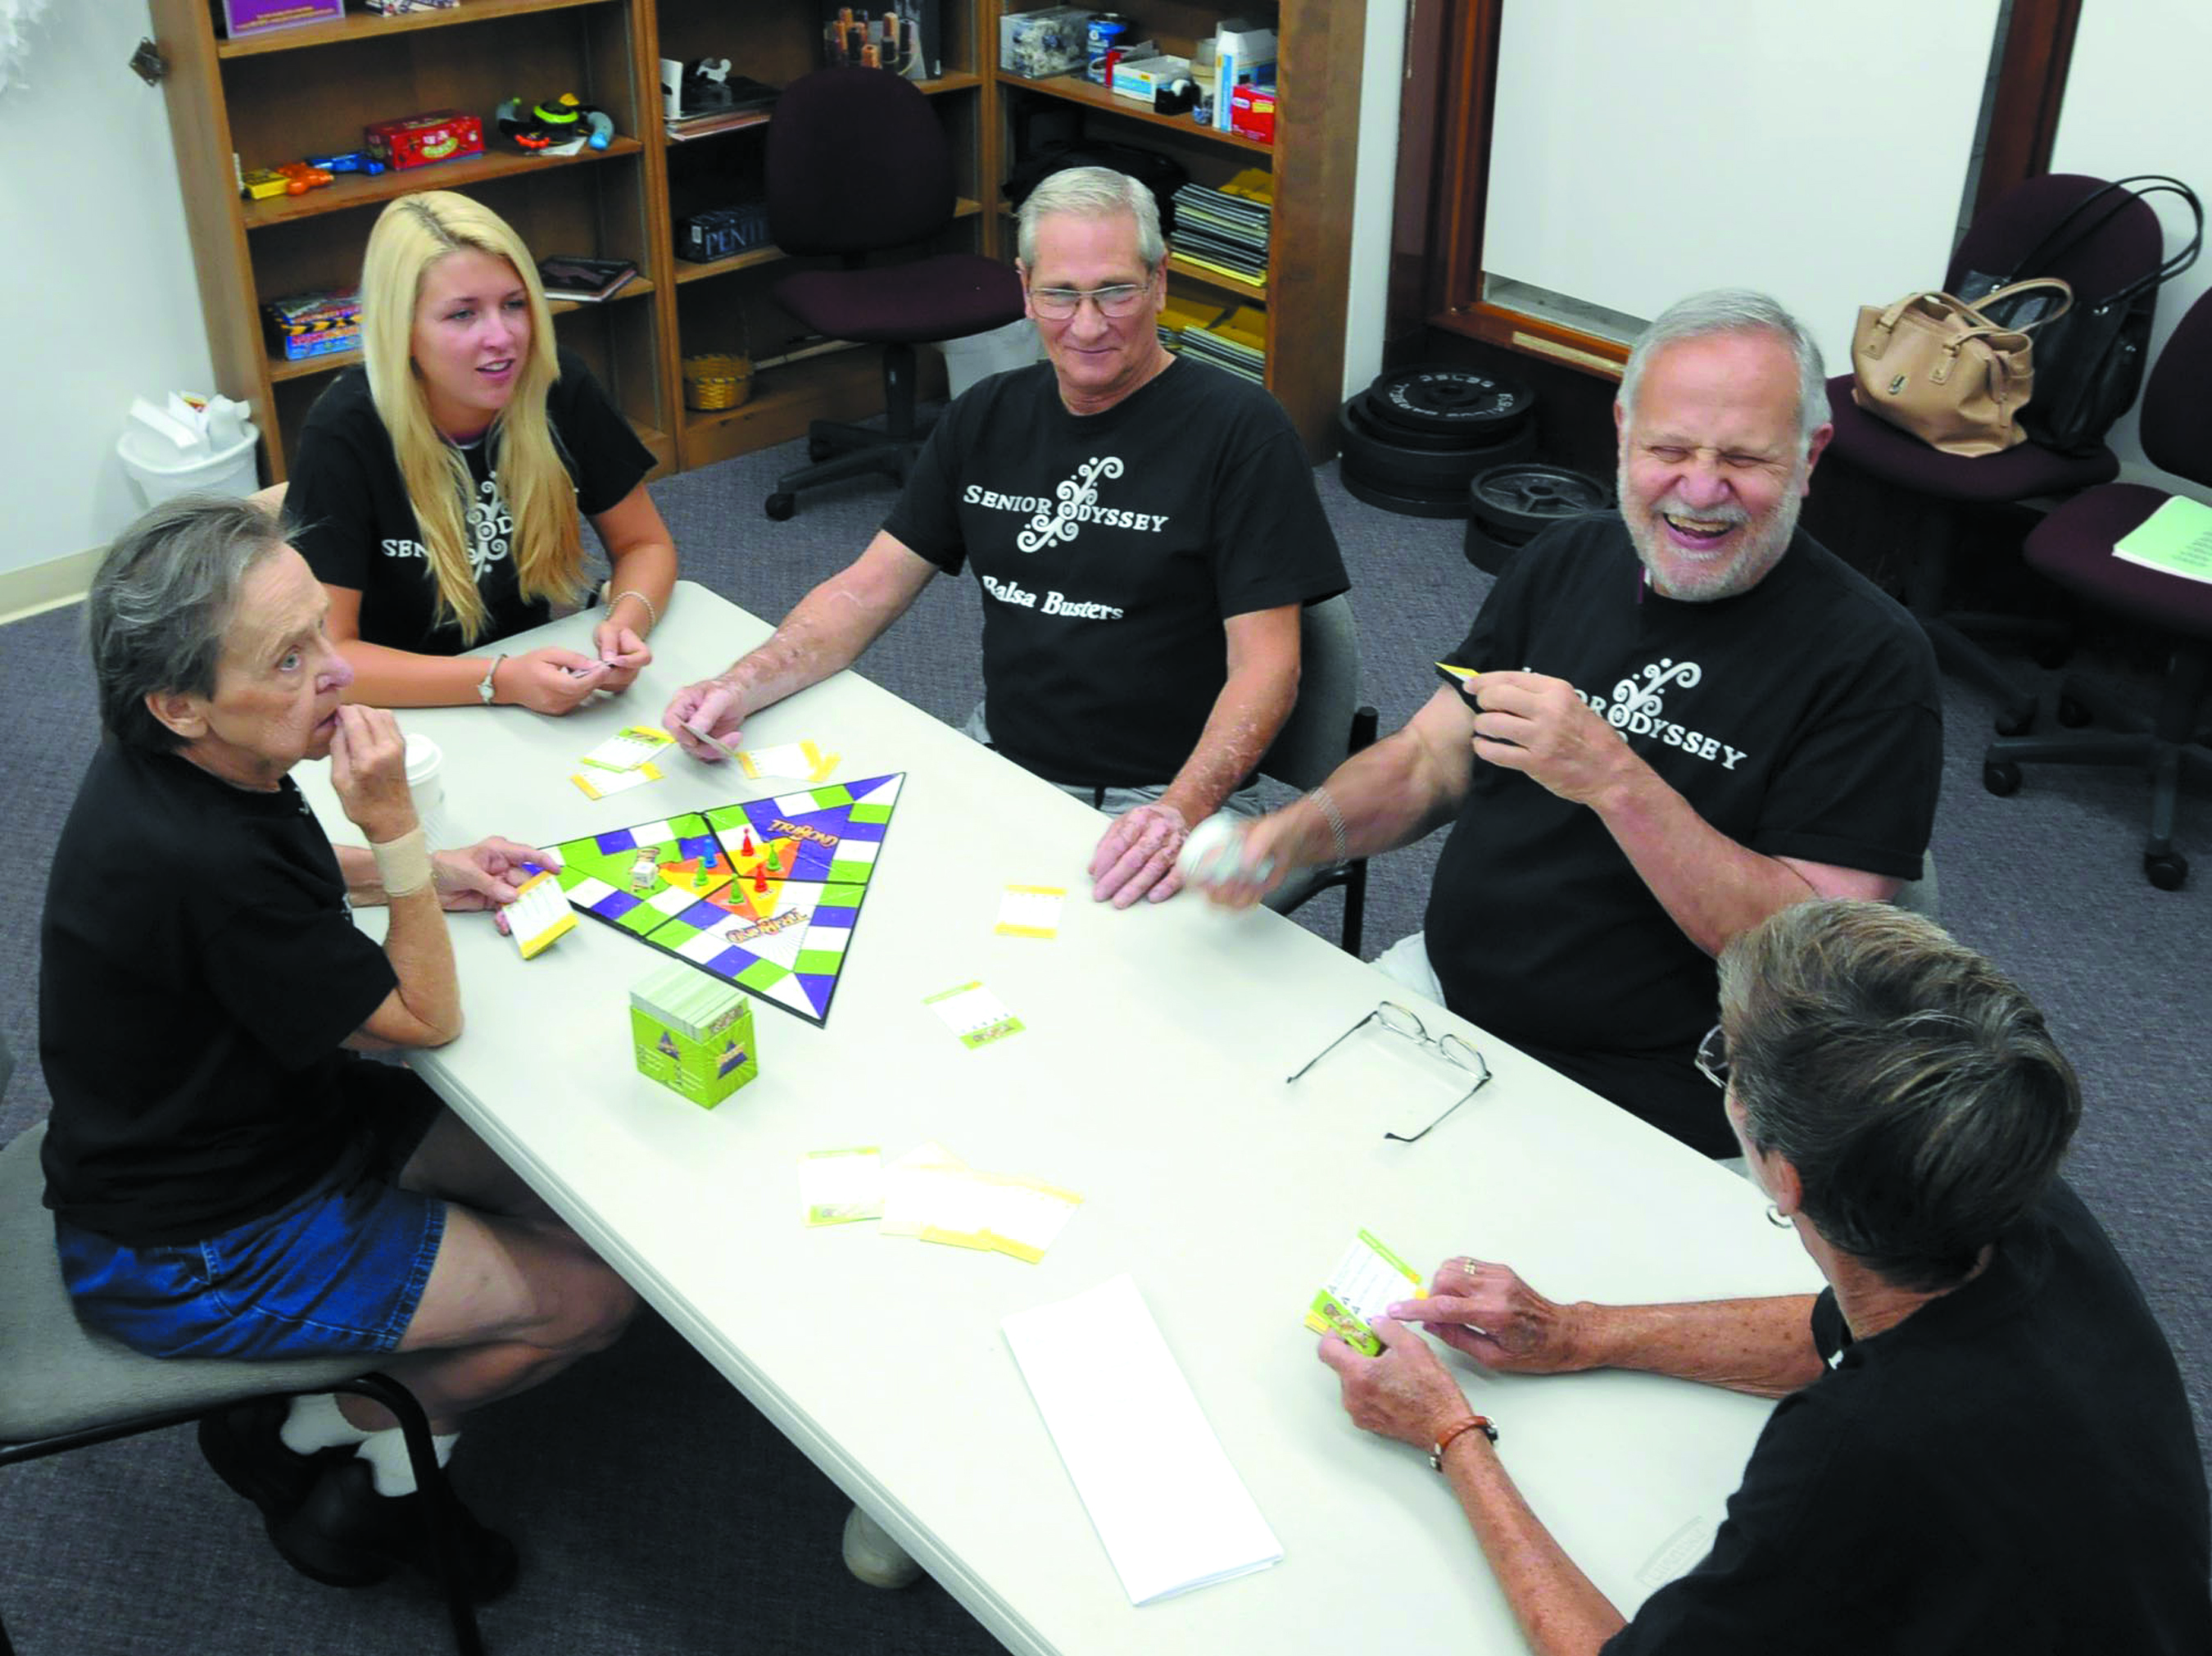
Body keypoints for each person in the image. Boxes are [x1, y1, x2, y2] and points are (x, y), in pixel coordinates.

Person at [1321, 900, 2212, 1654]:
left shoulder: (1861, 1447)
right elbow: (1838, 1323)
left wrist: (1449, 1431)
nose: (1725, 1077)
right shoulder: (2007, 1194)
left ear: (1783, 1173)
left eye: (1726, 1061)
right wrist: (1575, 1332)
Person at [39, 496, 637, 1599]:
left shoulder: (181, 761)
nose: (337, 670)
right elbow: (423, 1018)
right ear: (179, 703)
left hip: (260, 1125)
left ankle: (314, 1420)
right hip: (197, 1239)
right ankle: (349, 1453)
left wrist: (425, 872)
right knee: (597, 1297)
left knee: (591, 1182)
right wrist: (399, 832)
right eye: (287, 658)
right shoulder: (197, 865)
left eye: (321, 629)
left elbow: (284, 871)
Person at [1201, 290, 1939, 1153]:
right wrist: (1292, 836)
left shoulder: (1873, 660)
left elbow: (1809, 956)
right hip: (1445, 995)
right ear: (1623, 431)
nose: (1701, 491)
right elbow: (1431, 763)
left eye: (1745, 457)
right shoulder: (1565, 560)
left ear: (1810, 456)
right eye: (1668, 449)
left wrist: (1614, 777)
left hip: (1661, 1092)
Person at [663, 165, 1348, 907]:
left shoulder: (1242, 432)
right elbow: (864, 590)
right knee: (857, 914)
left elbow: (1267, 668)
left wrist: (1178, 812)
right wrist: (741, 683)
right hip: (1000, 754)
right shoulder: (985, 413)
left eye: (1115, 290)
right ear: (1024, 287)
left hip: (1165, 794)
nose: (1087, 325)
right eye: (1060, 294)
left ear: (1160, 280)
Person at [286, 190, 678, 715]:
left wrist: (625, 623)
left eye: (514, 305)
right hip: (400, 707)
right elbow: (332, 656)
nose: (503, 337)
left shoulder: (555, 383)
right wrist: (499, 681)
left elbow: (643, 545)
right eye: (463, 315)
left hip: (528, 681)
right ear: (402, 332)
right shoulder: (345, 428)